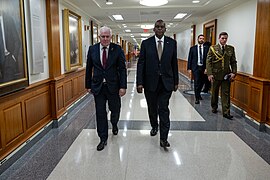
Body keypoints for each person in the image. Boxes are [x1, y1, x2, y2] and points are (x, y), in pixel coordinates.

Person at [136, 19, 179, 148]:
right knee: (152, 107)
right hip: (150, 83)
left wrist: (176, 81)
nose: (160, 29)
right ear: (153, 29)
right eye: (157, 27)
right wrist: (139, 82)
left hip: (166, 83)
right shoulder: (146, 43)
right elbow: (141, 64)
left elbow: (174, 63)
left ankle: (164, 138)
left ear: (165, 29)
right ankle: (154, 126)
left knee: (164, 109)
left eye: (162, 27)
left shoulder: (171, 43)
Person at [85, 26, 127, 151]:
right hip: (98, 87)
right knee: (100, 112)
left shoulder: (117, 49)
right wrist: (88, 85)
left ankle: (114, 123)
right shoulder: (93, 49)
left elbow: (122, 69)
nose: (105, 39)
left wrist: (123, 86)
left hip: (113, 86)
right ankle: (103, 138)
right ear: (99, 37)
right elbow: (88, 68)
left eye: (107, 36)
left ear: (110, 37)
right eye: (102, 36)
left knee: (115, 109)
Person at [206, 32, 237, 120]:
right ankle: (214, 106)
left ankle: (226, 112)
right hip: (215, 75)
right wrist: (210, 73)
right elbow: (208, 62)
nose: (224, 40)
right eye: (222, 38)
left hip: (226, 75)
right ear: (219, 38)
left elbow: (233, 62)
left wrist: (234, 72)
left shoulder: (230, 49)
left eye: (226, 38)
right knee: (214, 92)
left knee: (226, 93)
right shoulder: (213, 48)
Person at [187, 34, 210, 104]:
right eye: (200, 38)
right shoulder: (193, 48)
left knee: (202, 82)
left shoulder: (207, 48)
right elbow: (190, 58)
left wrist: (207, 68)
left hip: (204, 68)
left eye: (203, 38)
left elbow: (208, 59)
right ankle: (197, 98)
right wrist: (189, 68)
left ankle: (198, 93)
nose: (201, 40)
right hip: (196, 68)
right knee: (196, 82)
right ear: (198, 39)